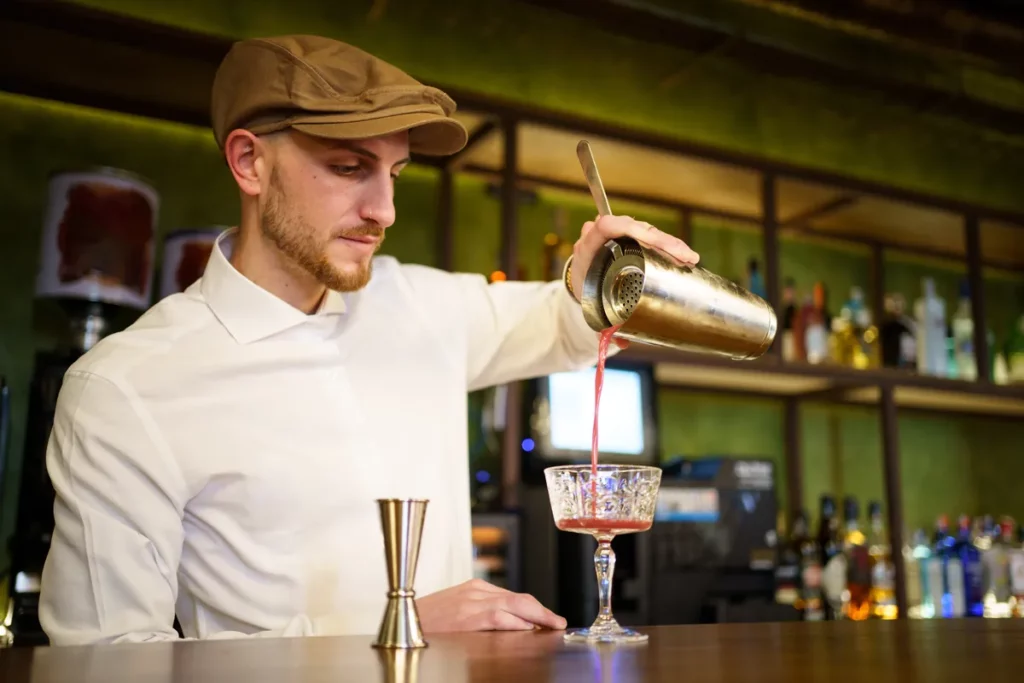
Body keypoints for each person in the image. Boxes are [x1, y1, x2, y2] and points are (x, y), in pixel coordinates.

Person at [38, 34, 699, 645]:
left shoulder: (422, 304)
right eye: (351, 166)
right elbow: (108, 661)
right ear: (249, 163)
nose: (383, 209)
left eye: (397, 173)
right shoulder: (125, 389)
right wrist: (396, 625)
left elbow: (572, 320)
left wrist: (608, 277)